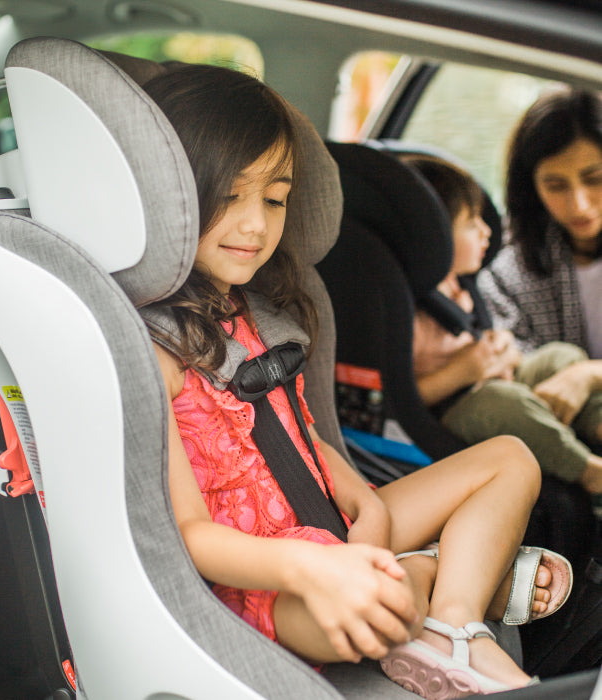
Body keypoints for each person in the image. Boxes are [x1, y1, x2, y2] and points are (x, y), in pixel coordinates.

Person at [140, 63, 567, 699]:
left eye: (275, 198)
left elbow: (299, 432)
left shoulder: (260, 311)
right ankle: (444, 576)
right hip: (270, 581)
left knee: (511, 458)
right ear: (171, 193)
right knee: (364, 601)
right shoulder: (155, 350)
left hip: (333, 523)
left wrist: (364, 505)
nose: (256, 225)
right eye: (228, 196)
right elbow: (193, 535)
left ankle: (452, 621)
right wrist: (312, 566)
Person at [408, 154, 602, 497]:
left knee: (561, 355)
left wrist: (502, 350)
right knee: (500, 402)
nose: (487, 232)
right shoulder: (409, 312)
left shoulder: (462, 285)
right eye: (471, 224)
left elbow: (488, 342)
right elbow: (403, 398)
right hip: (453, 410)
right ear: (432, 236)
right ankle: (587, 471)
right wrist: (465, 370)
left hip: (493, 380)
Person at [478, 88, 602, 492]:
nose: (579, 205)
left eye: (594, 179)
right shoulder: (506, 267)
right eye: (556, 185)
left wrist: (589, 374)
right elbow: (513, 370)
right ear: (531, 186)